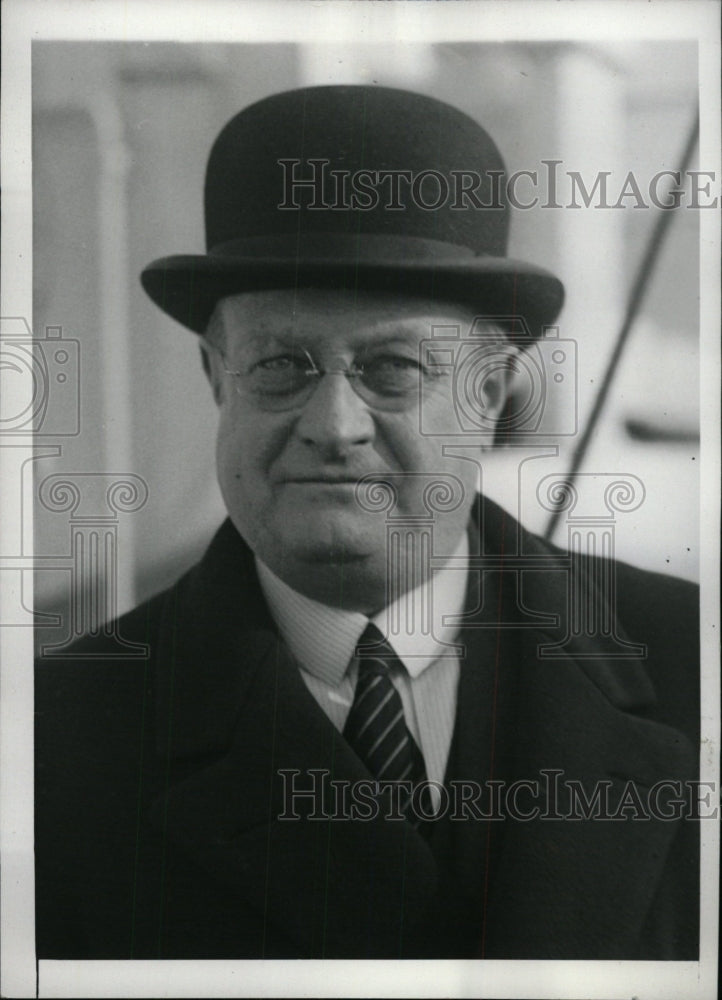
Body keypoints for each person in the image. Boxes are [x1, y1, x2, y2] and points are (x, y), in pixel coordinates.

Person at [35, 84, 699, 960]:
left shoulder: (692, 664)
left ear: (490, 391)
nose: (334, 425)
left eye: (392, 367)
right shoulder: (58, 742)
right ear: (216, 378)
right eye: (281, 365)